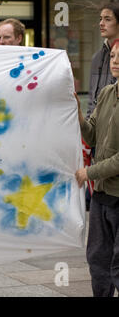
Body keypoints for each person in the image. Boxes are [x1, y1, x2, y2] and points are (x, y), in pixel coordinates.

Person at [75, 38, 119, 297]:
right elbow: (91, 135)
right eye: (113, 56)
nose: (116, 62)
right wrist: (79, 115)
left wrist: (88, 173)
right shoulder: (105, 93)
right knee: (98, 262)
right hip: (102, 196)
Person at [84, 2, 119, 211]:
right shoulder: (98, 57)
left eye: (107, 19)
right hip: (98, 127)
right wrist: (87, 123)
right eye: (99, 19)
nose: (101, 23)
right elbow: (93, 96)